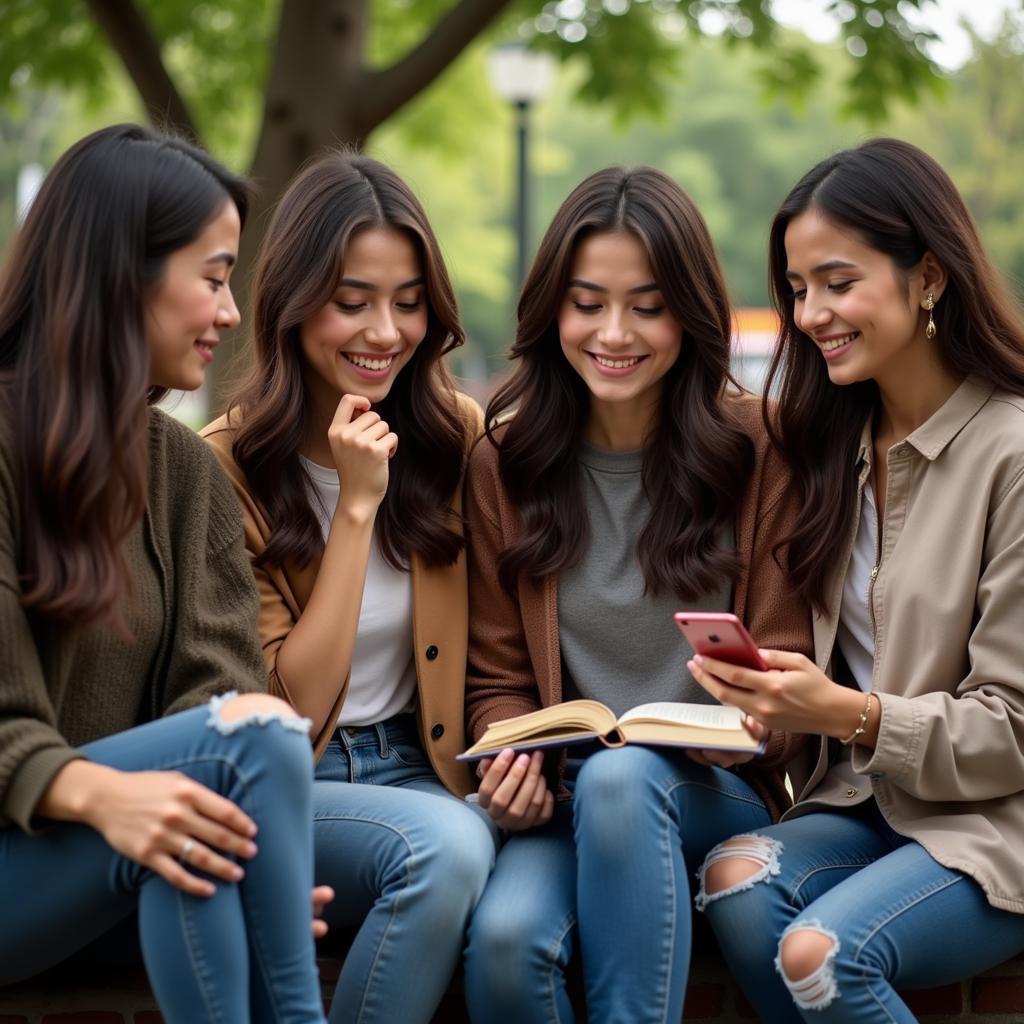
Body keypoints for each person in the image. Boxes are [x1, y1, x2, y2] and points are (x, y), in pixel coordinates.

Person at [461, 165, 812, 1024]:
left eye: (647, 306)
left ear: (689, 315)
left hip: (708, 793)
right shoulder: (502, 465)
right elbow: (497, 677)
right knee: (507, 946)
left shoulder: (760, 450)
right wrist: (507, 759)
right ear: (553, 310)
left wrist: (764, 723)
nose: (614, 332)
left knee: (625, 783)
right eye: (588, 302)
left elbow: (788, 663)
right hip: (567, 795)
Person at [690, 137, 1024, 1023]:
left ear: (929, 278)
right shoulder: (828, 449)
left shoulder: (1012, 454)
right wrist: (767, 708)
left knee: (821, 955)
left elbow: (1014, 729)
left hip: (994, 828)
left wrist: (845, 712)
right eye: (798, 289)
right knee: (733, 879)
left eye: (838, 283)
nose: (810, 314)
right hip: (858, 804)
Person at [0, 124, 327, 1023]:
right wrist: (106, 798)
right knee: (250, 746)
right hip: (17, 864)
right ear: (120, 274)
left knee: (208, 830)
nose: (231, 312)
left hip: (109, 871)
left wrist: (252, 858)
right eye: (215, 277)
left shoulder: (184, 471)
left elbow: (212, 694)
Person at [202, 150, 495, 1024]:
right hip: (301, 782)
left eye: (408, 303)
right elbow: (289, 708)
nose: (385, 332)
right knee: (446, 850)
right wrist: (357, 513)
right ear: (293, 305)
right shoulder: (225, 464)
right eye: (352, 301)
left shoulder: (457, 440)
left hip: (428, 765)